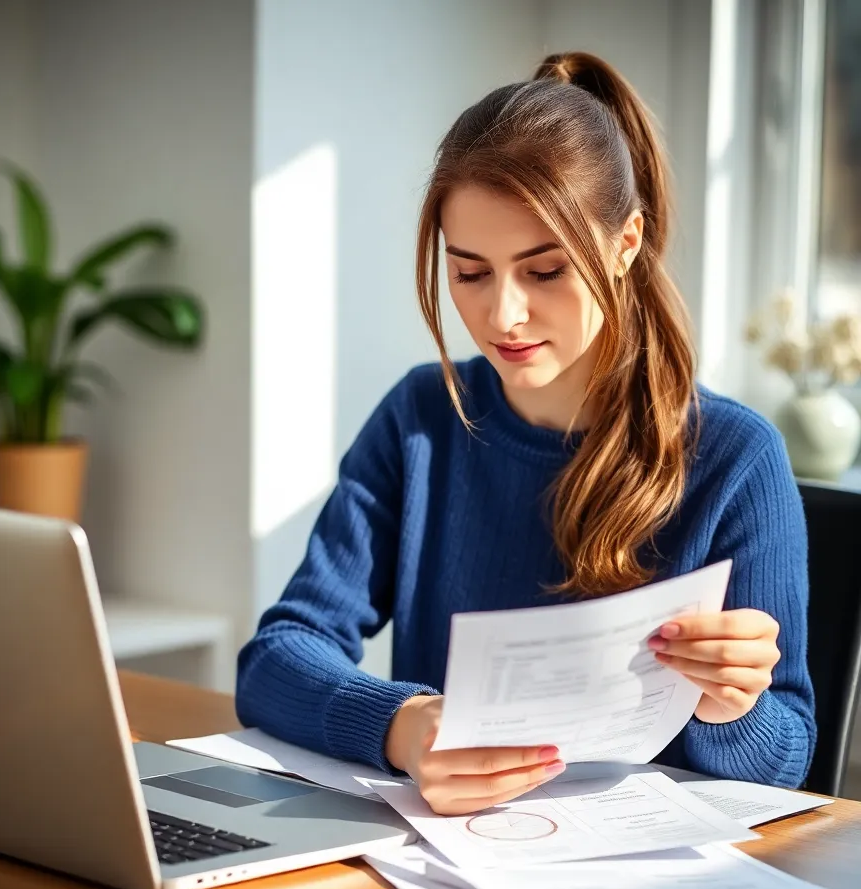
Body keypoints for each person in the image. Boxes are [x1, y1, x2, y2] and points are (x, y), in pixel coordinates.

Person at [236, 51, 817, 815]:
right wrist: (403, 728)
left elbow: (787, 760)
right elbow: (275, 659)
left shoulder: (735, 459)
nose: (501, 317)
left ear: (626, 243)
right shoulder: (421, 419)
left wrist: (731, 706)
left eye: (544, 272)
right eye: (470, 273)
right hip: (445, 867)